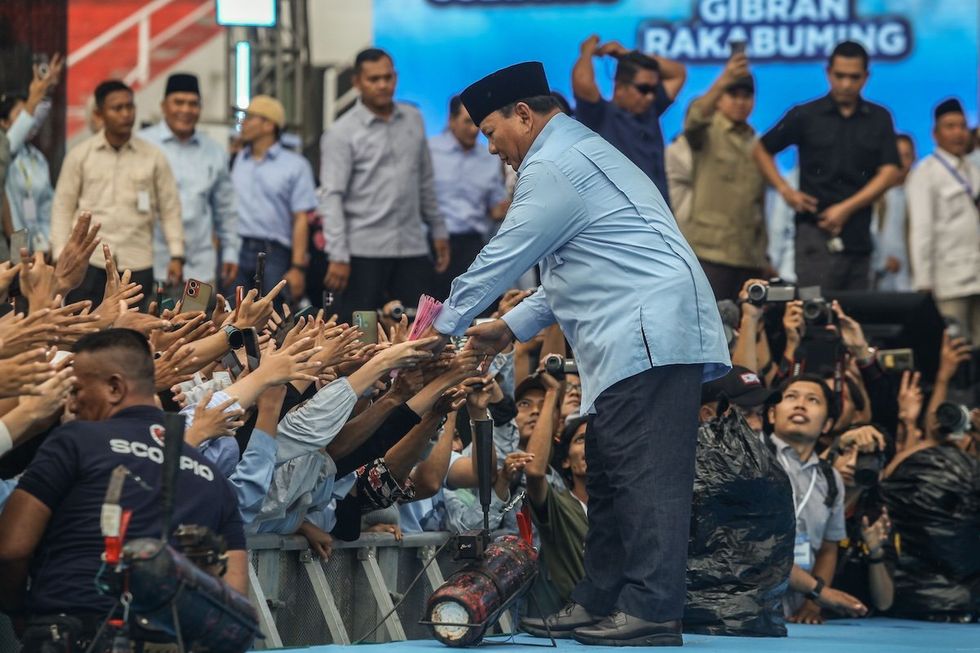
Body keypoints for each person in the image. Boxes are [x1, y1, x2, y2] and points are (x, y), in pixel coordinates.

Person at [428, 62, 729, 647]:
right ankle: (599, 601)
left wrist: (441, 326)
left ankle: (652, 611)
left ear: (524, 114)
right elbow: (572, 273)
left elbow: (502, 257)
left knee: (646, 478)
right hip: (633, 334)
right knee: (614, 474)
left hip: (651, 331)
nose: (491, 148)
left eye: (492, 131)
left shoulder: (554, 164)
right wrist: (508, 327)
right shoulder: (573, 155)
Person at [0, 329, 246, 651]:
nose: (70, 402)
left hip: (71, 634)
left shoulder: (74, 442)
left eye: (76, 389)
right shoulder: (213, 478)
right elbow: (235, 596)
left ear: (115, 388)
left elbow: (11, 549)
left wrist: (18, 610)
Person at [753, 41, 901, 291]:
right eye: (839, 76)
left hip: (859, 235)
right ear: (828, 72)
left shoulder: (879, 118)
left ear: (866, 77)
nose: (846, 84)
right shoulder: (806, 114)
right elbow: (760, 148)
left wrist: (846, 208)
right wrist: (785, 190)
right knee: (813, 315)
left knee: (854, 317)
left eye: (854, 77)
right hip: (814, 235)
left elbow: (890, 172)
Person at [321, 48, 449, 321]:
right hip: (362, 252)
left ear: (396, 77)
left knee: (421, 332)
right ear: (357, 83)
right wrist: (338, 254)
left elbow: (424, 180)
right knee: (361, 336)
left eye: (388, 77)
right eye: (373, 79)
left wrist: (438, 229)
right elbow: (331, 196)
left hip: (412, 247)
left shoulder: (413, 119)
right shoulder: (341, 133)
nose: (382, 85)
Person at [51, 80, 184, 304]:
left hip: (137, 261)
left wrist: (177, 254)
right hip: (88, 264)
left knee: (133, 335)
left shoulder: (153, 156)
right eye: (117, 108)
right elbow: (62, 207)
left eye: (129, 107)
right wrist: (60, 254)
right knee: (82, 331)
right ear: (100, 114)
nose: (126, 114)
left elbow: (170, 208)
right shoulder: (80, 155)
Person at [768, 375, 864, 624]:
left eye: (813, 400)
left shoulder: (831, 478)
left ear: (828, 424)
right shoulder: (753, 458)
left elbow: (828, 548)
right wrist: (820, 592)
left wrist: (813, 604)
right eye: (791, 397)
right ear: (771, 414)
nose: (800, 405)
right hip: (751, 605)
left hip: (800, 612)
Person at [140, 73, 239, 292]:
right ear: (164, 106)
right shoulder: (142, 144)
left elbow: (225, 207)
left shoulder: (213, 151)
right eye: (179, 102)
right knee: (152, 325)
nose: (186, 110)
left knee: (197, 325)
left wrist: (231, 250)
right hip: (151, 265)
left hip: (199, 269)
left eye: (193, 104)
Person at [682, 52, 767, 300]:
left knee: (746, 328)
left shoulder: (755, 141)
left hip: (748, 255)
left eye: (747, 96)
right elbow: (695, 117)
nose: (740, 102)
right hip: (711, 253)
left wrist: (764, 254)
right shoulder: (708, 132)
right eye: (733, 95)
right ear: (720, 98)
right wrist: (724, 79)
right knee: (713, 329)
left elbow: (759, 203)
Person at [572, 35, 687, 204]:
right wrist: (587, 52)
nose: (650, 96)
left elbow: (677, 73)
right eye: (643, 88)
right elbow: (582, 82)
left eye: (654, 89)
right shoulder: (600, 115)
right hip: (621, 221)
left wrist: (626, 54)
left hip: (659, 218)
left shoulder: (650, 111)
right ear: (619, 87)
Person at [906, 98, 980, 344]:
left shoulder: (973, 169)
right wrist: (923, 282)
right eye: (950, 126)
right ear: (935, 134)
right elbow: (921, 230)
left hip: (977, 274)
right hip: (947, 281)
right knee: (955, 348)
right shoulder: (925, 173)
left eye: (961, 126)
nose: (958, 133)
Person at [231, 94, 317, 303]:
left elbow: (301, 219)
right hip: (236, 250)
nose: (244, 123)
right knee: (231, 317)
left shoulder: (295, 165)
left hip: (274, 254)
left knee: (272, 320)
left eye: (250, 117)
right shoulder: (237, 160)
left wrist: (297, 268)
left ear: (269, 125)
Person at [429, 95, 509, 300]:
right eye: (467, 122)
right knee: (432, 310)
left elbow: (495, 208)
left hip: (473, 245)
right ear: (451, 120)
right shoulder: (429, 151)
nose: (474, 129)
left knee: (476, 308)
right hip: (434, 243)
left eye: (476, 123)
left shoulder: (490, 157)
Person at [1, 53, 64, 254]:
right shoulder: (6, 150)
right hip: (14, 239)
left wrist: (48, 244)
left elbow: (47, 204)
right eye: (20, 115)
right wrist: (37, 94)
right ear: (3, 122)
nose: (29, 119)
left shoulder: (36, 157)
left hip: (38, 240)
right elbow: (18, 132)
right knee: (16, 283)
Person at [871, 134, 915, 291]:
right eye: (896, 155)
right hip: (879, 281)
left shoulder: (918, 195)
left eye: (906, 156)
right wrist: (882, 261)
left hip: (912, 282)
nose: (900, 162)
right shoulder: (871, 197)